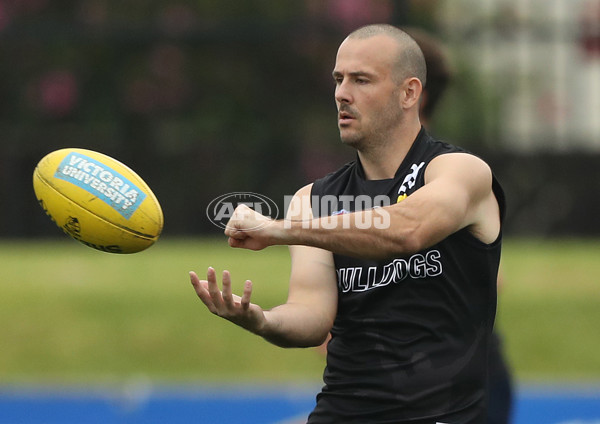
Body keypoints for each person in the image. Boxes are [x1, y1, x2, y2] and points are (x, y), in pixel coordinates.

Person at [190, 24, 505, 423]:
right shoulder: (313, 199)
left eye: (361, 80)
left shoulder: (459, 171)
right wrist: (261, 320)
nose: (342, 93)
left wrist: (280, 228)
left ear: (409, 93)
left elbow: (409, 229)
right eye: (339, 79)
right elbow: (311, 315)